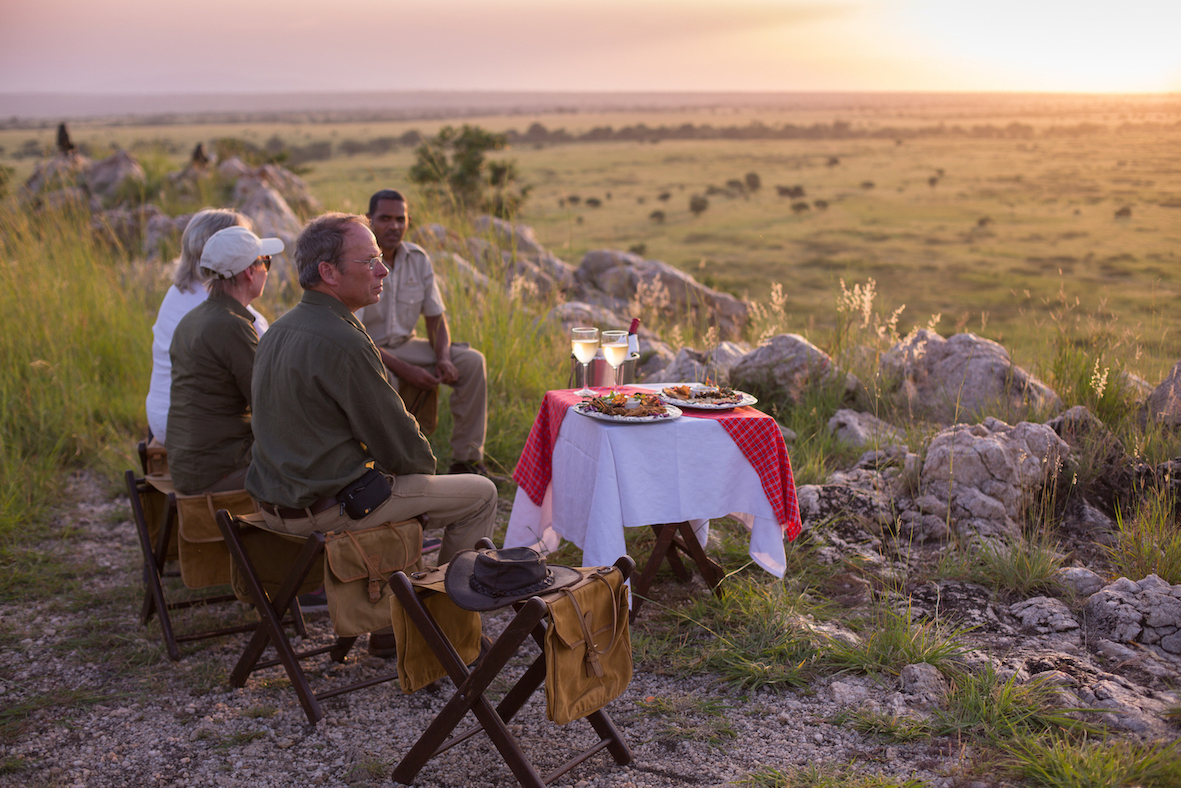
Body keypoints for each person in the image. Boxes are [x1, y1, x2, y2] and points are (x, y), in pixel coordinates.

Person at [245, 212, 497, 657]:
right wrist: (421, 474)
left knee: (386, 479)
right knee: (479, 493)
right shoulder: (343, 338)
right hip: (325, 512)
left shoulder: (278, 329)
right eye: (371, 261)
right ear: (328, 272)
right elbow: (406, 450)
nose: (384, 270)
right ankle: (443, 623)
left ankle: (391, 624)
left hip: (274, 510)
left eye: (381, 260)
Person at [359, 189, 500, 479]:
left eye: (401, 219)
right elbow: (355, 333)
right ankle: (393, 471)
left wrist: (444, 357)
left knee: (472, 362)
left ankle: (467, 461)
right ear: (369, 220)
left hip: (406, 344)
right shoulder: (361, 261)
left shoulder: (418, 259)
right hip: (367, 350)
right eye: (385, 218)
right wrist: (405, 369)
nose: (394, 226)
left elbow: (436, 318)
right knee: (389, 379)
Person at [165, 227, 282, 495]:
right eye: (265, 261)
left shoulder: (192, 319)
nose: (267, 270)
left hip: (191, 466)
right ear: (249, 272)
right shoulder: (231, 325)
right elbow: (270, 406)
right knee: (317, 468)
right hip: (218, 470)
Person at [145, 209, 269, 444]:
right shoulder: (221, 308)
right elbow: (266, 377)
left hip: (161, 416)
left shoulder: (178, 293)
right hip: (191, 429)